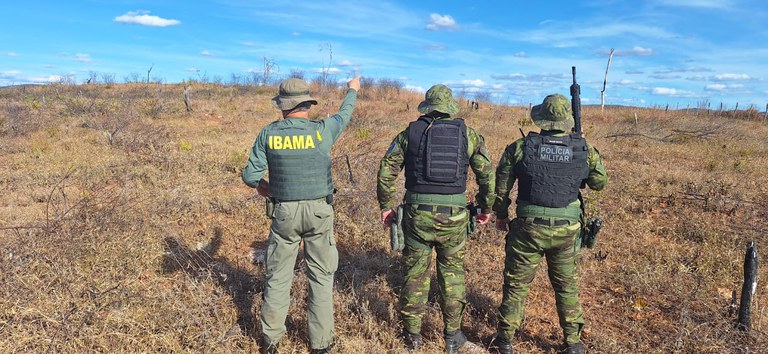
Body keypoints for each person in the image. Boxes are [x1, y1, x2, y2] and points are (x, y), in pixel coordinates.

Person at [242, 76, 360, 354]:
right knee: (320, 276)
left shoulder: (269, 134)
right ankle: (321, 344)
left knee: (278, 276)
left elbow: (250, 176)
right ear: (307, 103)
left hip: (284, 212)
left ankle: (271, 341)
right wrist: (352, 91)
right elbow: (345, 114)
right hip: (319, 212)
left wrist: (266, 189)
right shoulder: (323, 131)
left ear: (282, 106)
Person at [377, 84, 495, 353]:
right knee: (452, 275)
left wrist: (386, 206)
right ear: (450, 108)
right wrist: (485, 207)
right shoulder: (470, 135)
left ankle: (412, 337)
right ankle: (453, 336)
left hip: (417, 216)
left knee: (415, 274)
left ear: (427, 107)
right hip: (454, 217)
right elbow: (487, 174)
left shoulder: (410, 133)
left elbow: (386, 171)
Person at [490, 94, 608, 354]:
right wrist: (582, 155)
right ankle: (573, 343)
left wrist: (501, 215)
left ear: (541, 118)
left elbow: (501, 188)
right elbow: (599, 183)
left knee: (516, 285)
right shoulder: (583, 149)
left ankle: (505, 341)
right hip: (567, 230)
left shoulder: (520, 147)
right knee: (567, 286)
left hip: (528, 229)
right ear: (566, 120)